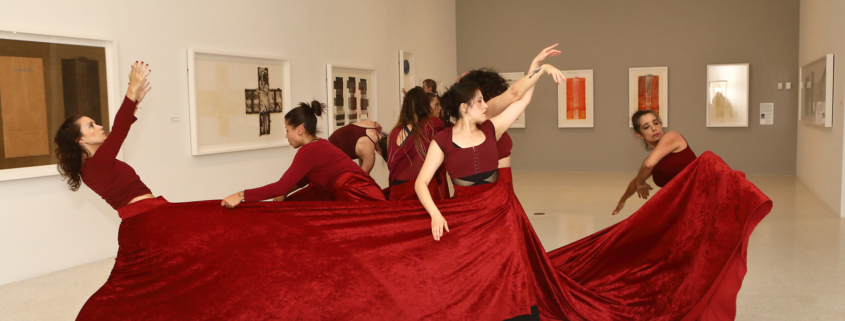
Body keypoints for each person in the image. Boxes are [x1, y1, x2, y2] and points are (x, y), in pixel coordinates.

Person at [221, 101, 385, 206]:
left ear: (299, 130)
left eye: (287, 130)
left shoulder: (309, 151)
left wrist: (241, 195)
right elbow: (303, 179)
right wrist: (285, 194)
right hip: (361, 194)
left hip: (360, 197)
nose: (286, 135)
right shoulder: (319, 144)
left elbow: (280, 186)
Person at [54, 61, 156, 219]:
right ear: (80, 139)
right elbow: (119, 130)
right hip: (146, 217)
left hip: (146, 217)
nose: (100, 126)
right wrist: (132, 89)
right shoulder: (95, 166)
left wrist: (134, 102)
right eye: (91, 126)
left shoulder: (93, 165)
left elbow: (120, 130)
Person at [611, 110, 697, 215]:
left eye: (655, 123)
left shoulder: (672, 136)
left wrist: (641, 183)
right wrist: (623, 199)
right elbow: (636, 181)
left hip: (703, 191)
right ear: (640, 135)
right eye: (646, 127)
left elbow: (648, 166)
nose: (654, 128)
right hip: (685, 205)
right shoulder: (653, 159)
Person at [385, 87, 448, 200]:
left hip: (397, 187)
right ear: (425, 105)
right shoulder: (433, 123)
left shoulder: (394, 131)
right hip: (420, 187)